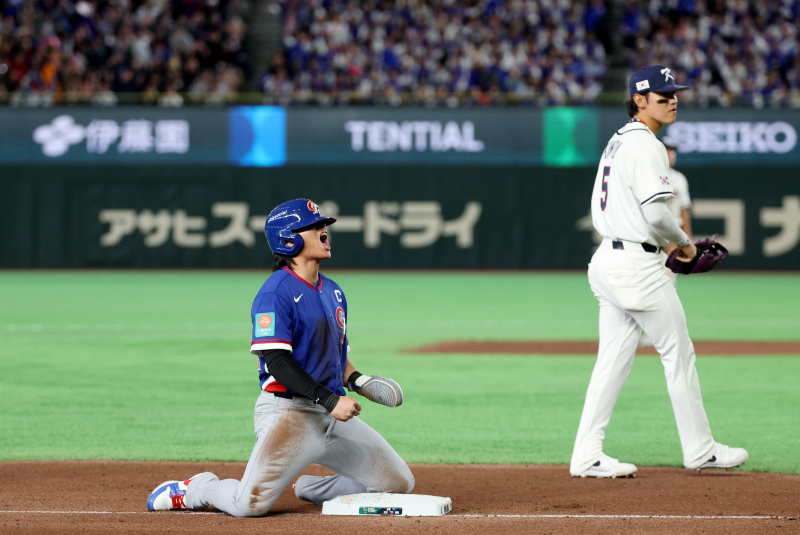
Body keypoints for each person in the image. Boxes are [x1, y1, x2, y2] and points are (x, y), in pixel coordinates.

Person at [146, 199, 414, 515]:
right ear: (289, 239)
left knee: (398, 483)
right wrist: (330, 400)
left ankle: (313, 489)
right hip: (289, 413)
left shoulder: (334, 292)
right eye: (313, 226)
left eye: (323, 224)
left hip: (331, 415)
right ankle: (195, 488)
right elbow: (277, 362)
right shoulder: (275, 293)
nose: (323, 230)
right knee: (248, 506)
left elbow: (336, 356)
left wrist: (359, 381)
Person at [570, 65, 748, 478]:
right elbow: (655, 212)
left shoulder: (618, 140)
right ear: (639, 100)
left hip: (608, 261)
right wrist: (685, 245)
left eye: (674, 94)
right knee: (679, 354)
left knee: (612, 361)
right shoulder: (646, 144)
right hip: (636, 267)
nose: (673, 101)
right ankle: (701, 450)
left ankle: (586, 455)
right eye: (663, 96)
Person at [639, 135, 692, 347]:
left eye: (673, 150)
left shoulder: (679, 178)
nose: (671, 154)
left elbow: (684, 210)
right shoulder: (647, 175)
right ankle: (642, 333)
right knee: (645, 287)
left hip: (673, 237)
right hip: (651, 238)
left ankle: (658, 334)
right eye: (667, 149)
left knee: (667, 287)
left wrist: (687, 240)